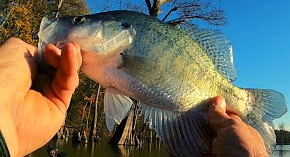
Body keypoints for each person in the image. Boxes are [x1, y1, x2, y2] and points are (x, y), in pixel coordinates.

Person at [0, 38, 267, 157]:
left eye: (80, 23)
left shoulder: (121, 57)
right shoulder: (108, 66)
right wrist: (8, 124)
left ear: (119, 31)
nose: (72, 28)